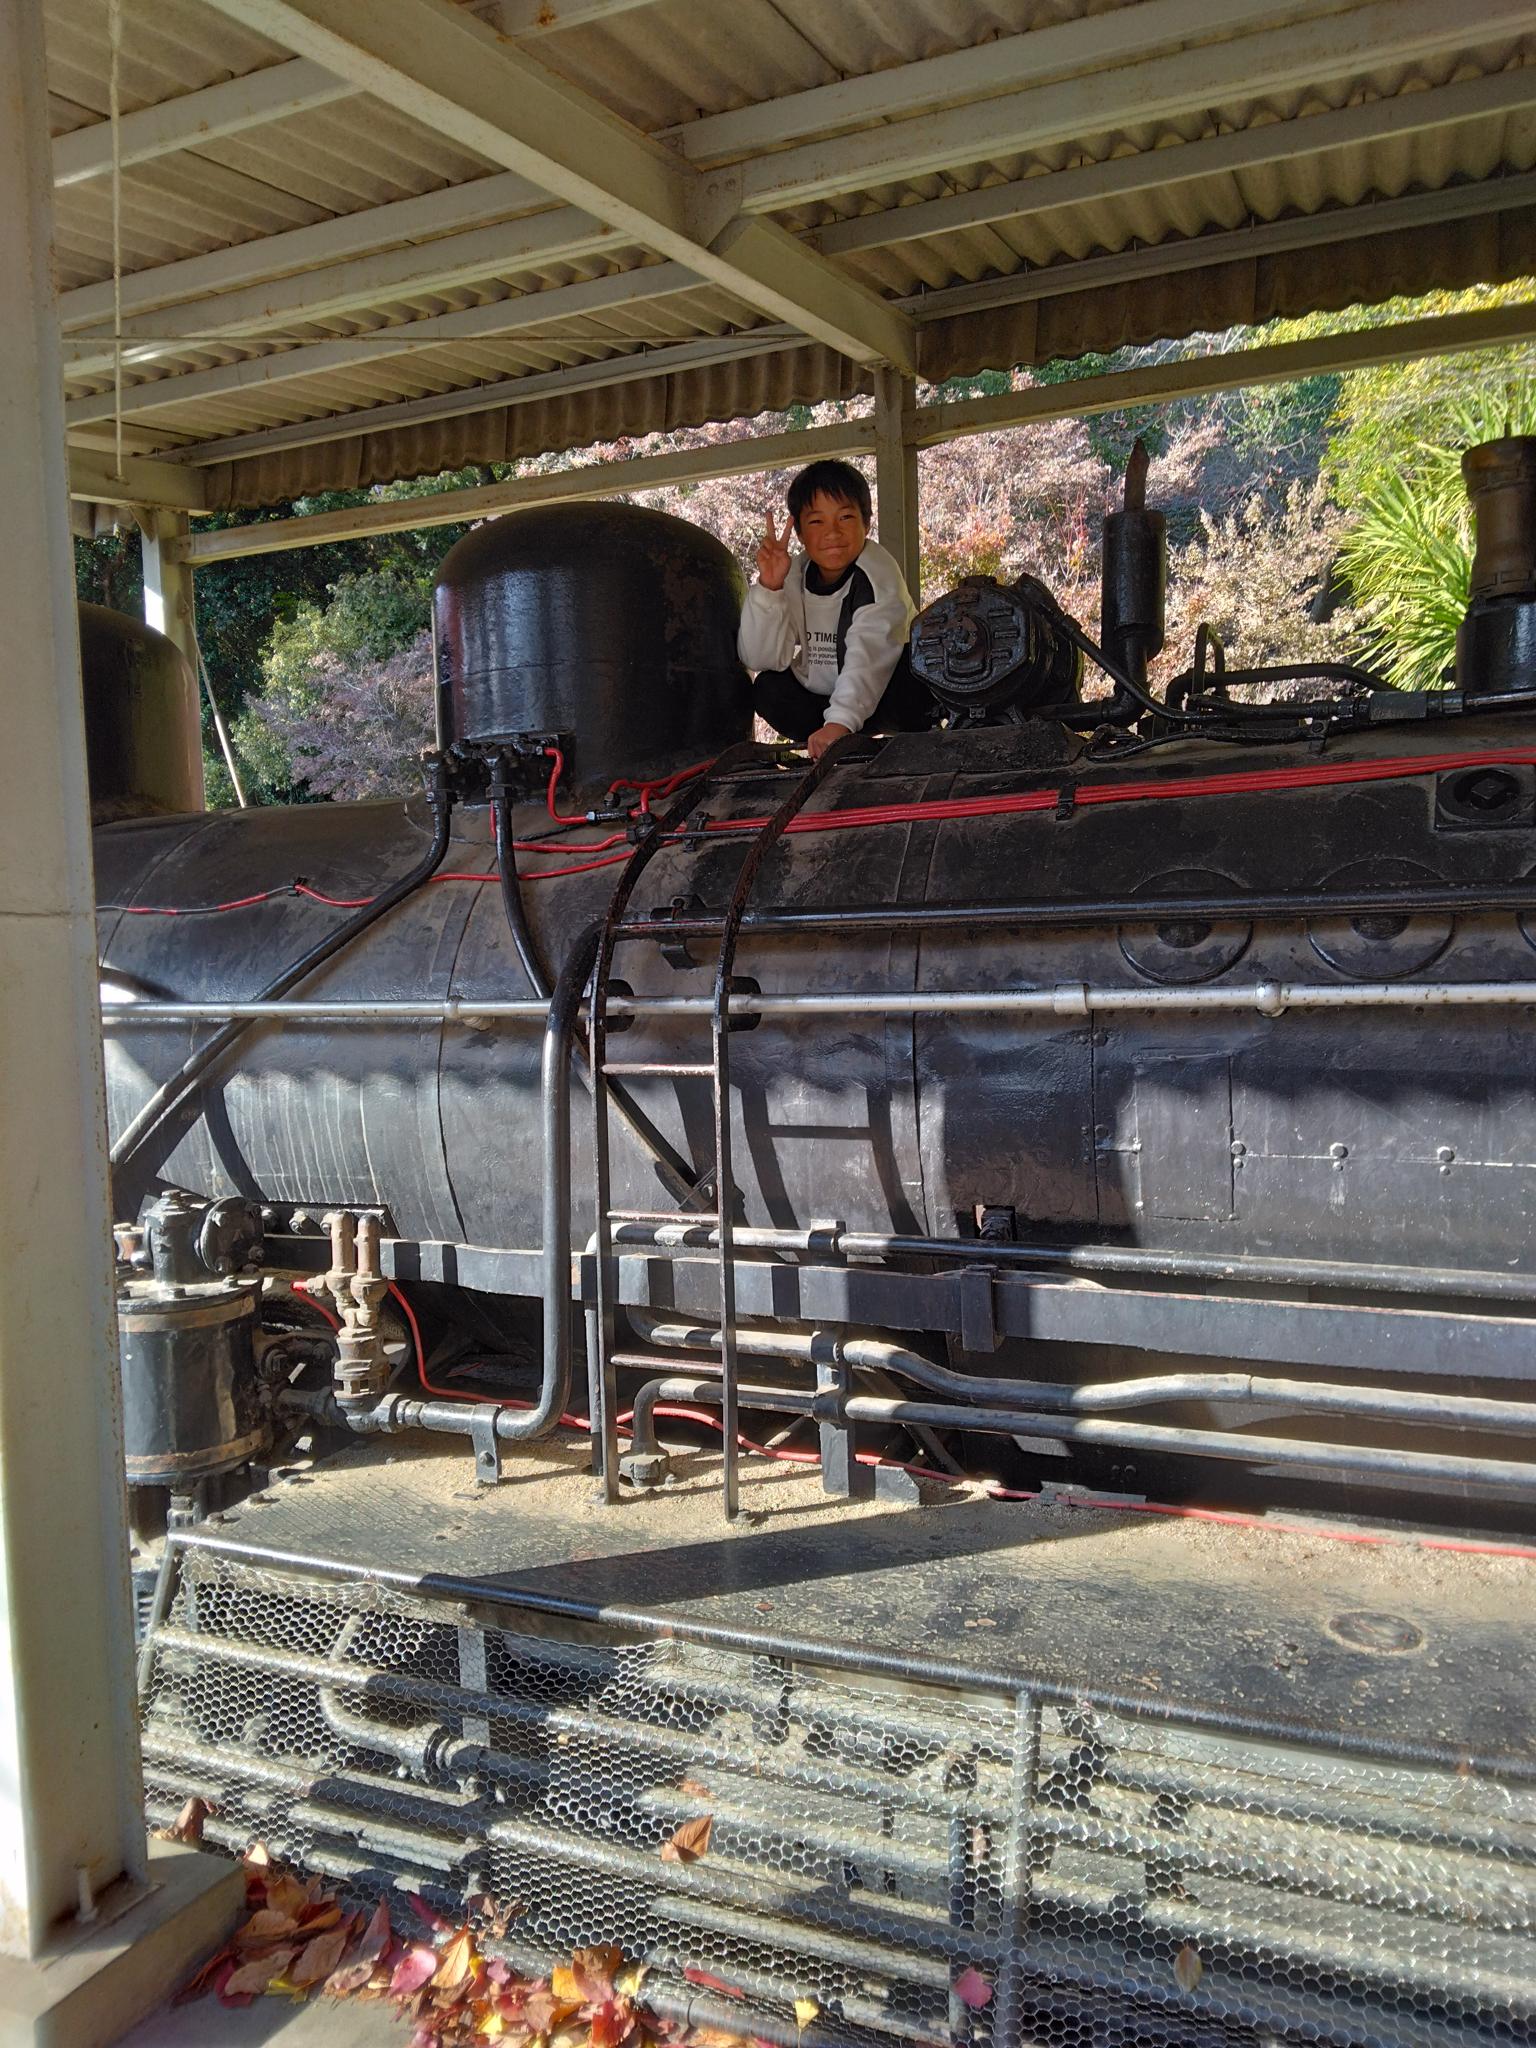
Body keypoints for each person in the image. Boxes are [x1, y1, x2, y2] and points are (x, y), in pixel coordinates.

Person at [738, 458, 931, 759]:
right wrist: (769, 587)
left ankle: (875, 743)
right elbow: (761, 658)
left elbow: (868, 654)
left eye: (845, 517)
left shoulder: (877, 572)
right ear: (800, 533)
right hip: (824, 701)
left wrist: (840, 723)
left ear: (866, 523)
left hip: (883, 695)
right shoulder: (795, 573)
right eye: (817, 521)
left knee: (917, 677)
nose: (832, 533)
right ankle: (824, 741)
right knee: (768, 688)